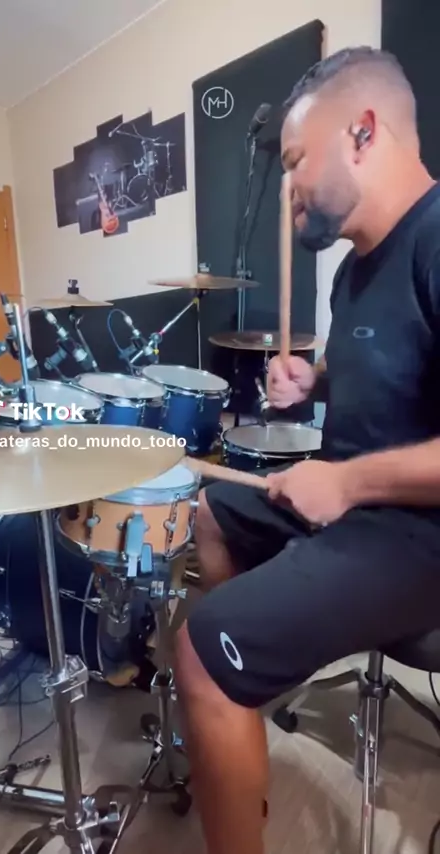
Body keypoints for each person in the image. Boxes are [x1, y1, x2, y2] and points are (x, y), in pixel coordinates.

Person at [173, 46, 440, 854]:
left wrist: (348, 483)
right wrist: (312, 384)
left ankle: (226, 680)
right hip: (357, 506)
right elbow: (390, 372)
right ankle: (249, 690)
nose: (289, 185)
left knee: (199, 654)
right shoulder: (353, 273)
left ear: (362, 131)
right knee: (211, 512)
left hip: (420, 531)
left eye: (294, 161)